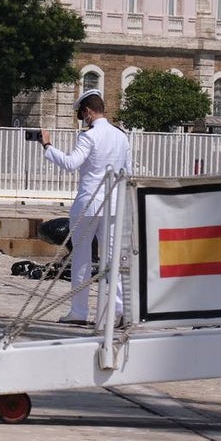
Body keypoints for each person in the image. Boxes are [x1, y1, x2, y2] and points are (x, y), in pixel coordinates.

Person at [39, 89, 132, 325]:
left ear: (88, 111)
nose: (83, 119)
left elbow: (71, 163)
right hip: (113, 204)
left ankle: (79, 312)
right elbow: (128, 172)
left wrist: (48, 147)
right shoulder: (121, 136)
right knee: (113, 258)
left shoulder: (89, 136)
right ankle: (119, 311)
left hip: (88, 203)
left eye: (82, 115)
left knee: (81, 257)